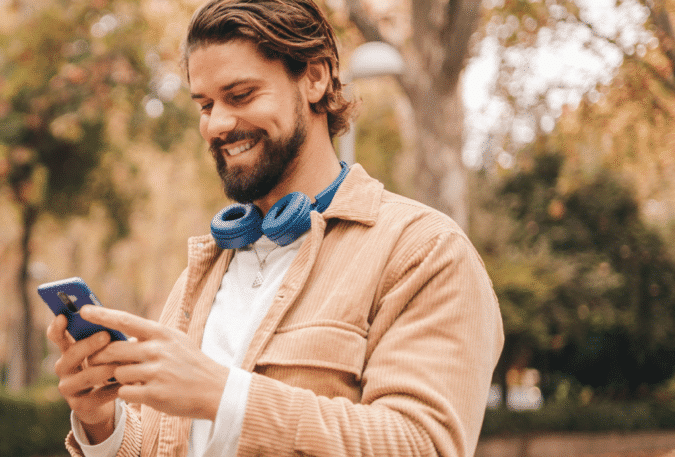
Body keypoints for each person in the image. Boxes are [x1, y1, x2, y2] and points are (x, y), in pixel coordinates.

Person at [46, 0, 504, 455]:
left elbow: (422, 445)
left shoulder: (425, 252)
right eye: (205, 105)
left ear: (315, 76)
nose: (217, 124)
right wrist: (101, 422)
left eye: (240, 95)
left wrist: (224, 395)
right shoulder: (203, 274)